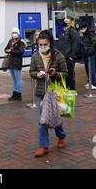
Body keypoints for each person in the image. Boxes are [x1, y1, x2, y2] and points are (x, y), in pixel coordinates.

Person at [29, 30, 68, 158]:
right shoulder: (35, 56)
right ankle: (43, 146)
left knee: (55, 117)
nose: (42, 47)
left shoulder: (58, 56)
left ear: (50, 43)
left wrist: (54, 74)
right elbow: (31, 72)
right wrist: (37, 74)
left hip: (55, 91)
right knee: (43, 119)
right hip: (41, 92)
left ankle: (61, 136)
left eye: (45, 44)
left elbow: (66, 73)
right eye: (40, 45)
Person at [57, 16, 80, 91]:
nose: (64, 22)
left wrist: (72, 55)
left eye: (66, 21)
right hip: (62, 56)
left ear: (70, 23)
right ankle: (65, 88)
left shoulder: (72, 31)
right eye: (64, 20)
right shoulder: (62, 31)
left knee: (70, 74)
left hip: (69, 57)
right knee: (64, 73)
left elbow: (76, 44)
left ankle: (72, 89)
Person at [4, 28, 26, 101]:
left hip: (17, 63)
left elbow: (20, 51)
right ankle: (15, 94)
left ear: (18, 33)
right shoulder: (11, 41)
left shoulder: (21, 42)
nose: (14, 34)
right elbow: (6, 49)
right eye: (13, 32)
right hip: (11, 63)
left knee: (18, 79)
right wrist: (7, 51)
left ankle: (18, 95)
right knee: (14, 80)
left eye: (15, 32)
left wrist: (11, 51)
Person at [79, 23, 96, 90]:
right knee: (87, 68)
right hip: (85, 53)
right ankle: (90, 82)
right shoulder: (84, 34)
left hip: (90, 53)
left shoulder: (90, 33)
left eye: (82, 28)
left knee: (91, 68)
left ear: (86, 27)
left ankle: (94, 83)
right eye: (81, 29)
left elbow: (94, 42)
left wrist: (91, 51)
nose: (81, 30)